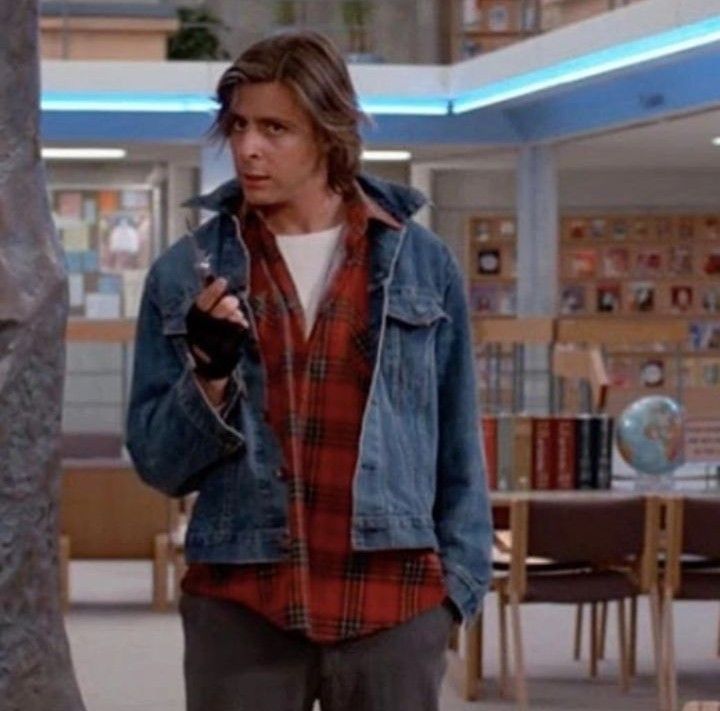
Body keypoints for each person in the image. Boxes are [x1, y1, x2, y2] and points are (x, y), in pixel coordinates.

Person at [126, 29, 491, 711]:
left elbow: (459, 445)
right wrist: (207, 375)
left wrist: (454, 597)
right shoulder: (185, 274)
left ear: (328, 132)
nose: (248, 148)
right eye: (237, 126)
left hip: (393, 606)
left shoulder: (422, 263)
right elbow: (156, 463)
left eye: (274, 128)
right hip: (243, 609)